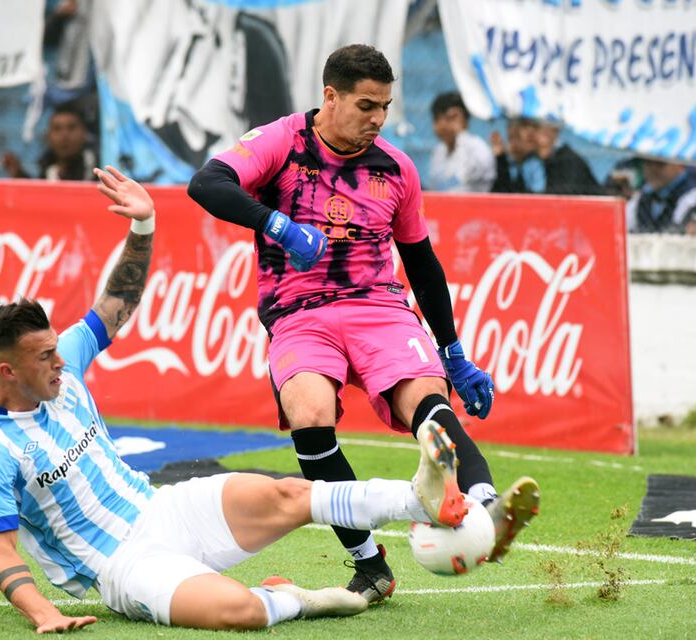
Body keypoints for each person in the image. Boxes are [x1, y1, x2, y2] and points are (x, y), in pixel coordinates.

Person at [0, 166, 473, 632]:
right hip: (124, 566)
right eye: (45, 357)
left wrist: (143, 226)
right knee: (241, 613)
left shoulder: (67, 364)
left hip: (163, 509)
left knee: (289, 495)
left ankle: (421, 497)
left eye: (58, 349)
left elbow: (117, 302)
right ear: (7, 370)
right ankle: (306, 599)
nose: (60, 362)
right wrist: (44, 613)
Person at [188, 44, 539, 603]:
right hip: (299, 311)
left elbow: (421, 260)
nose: (377, 119)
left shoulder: (396, 167)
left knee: (428, 404)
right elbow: (207, 184)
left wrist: (453, 351)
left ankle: (485, 508)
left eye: (386, 107)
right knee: (309, 412)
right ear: (330, 97)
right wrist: (278, 224)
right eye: (366, 105)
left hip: (379, 307)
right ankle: (368, 560)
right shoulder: (283, 141)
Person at [1, 102, 97, 181]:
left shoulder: (96, 167)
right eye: (57, 129)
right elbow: (39, 196)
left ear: (84, 133)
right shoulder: (48, 168)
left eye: (71, 128)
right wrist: (18, 174)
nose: (64, 136)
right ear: (48, 136)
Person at [427, 91, 496, 192]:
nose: (441, 125)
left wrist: (461, 134)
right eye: (436, 119)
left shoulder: (479, 148)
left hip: (474, 205)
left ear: (464, 120)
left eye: (449, 118)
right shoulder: (439, 151)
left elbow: (462, 177)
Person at [626, 159, 696, 233]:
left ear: (679, 165)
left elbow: (680, 232)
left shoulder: (694, 194)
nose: (653, 170)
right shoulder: (645, 192)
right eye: (648, 163)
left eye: (660, 164)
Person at [530, 120, 602, 195]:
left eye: (542, 132)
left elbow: (562, 197)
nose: (533, 138)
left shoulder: (568, 162)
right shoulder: (535, 160)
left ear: (554, 133)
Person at [490, 117, 538, 194]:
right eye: (511, 138)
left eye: (518, 137)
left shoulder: (535, 163)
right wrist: (500, 158)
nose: (514, 143)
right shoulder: (501, 162)